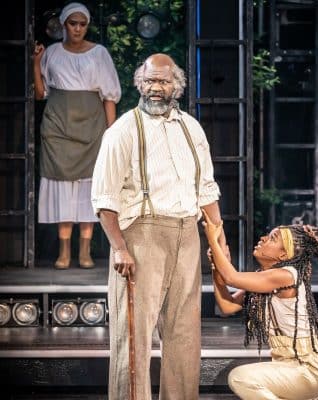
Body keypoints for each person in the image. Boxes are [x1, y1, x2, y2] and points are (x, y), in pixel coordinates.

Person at [91, 53, 229, 400]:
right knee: (133, 337)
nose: (156, 87)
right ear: (140, 84)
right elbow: (104, 198)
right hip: (142, 235)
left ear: (176, 86)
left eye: (163, 81)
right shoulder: (123, 130)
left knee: (184, 334)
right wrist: (119, 247)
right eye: (150, 80)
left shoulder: (191, 128)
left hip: (187, 233)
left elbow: (206, 189)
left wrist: (219, 242)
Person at [202, 209, 318, 400]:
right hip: (289, 367)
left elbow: (231, 277)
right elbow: (227, 306)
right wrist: (216, 267)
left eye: (272, 238)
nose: (263, 238)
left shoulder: (286, 275)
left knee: (239, 378)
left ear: (283, 255)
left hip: (308, 369)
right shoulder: (265, 280)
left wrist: (213, 241)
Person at [33, 2, 121, 269]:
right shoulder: (52, 53)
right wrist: (36, 62)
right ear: (64, 25)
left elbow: (109, 96)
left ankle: (84, 251)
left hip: (91, 125)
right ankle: (63, 251)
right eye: (73, 23)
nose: (78, 29)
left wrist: (111, 133)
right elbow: (41, 93)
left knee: (88, 186)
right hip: (58, 125)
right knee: (62, 186)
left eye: (82, 24)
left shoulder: (99, 53)